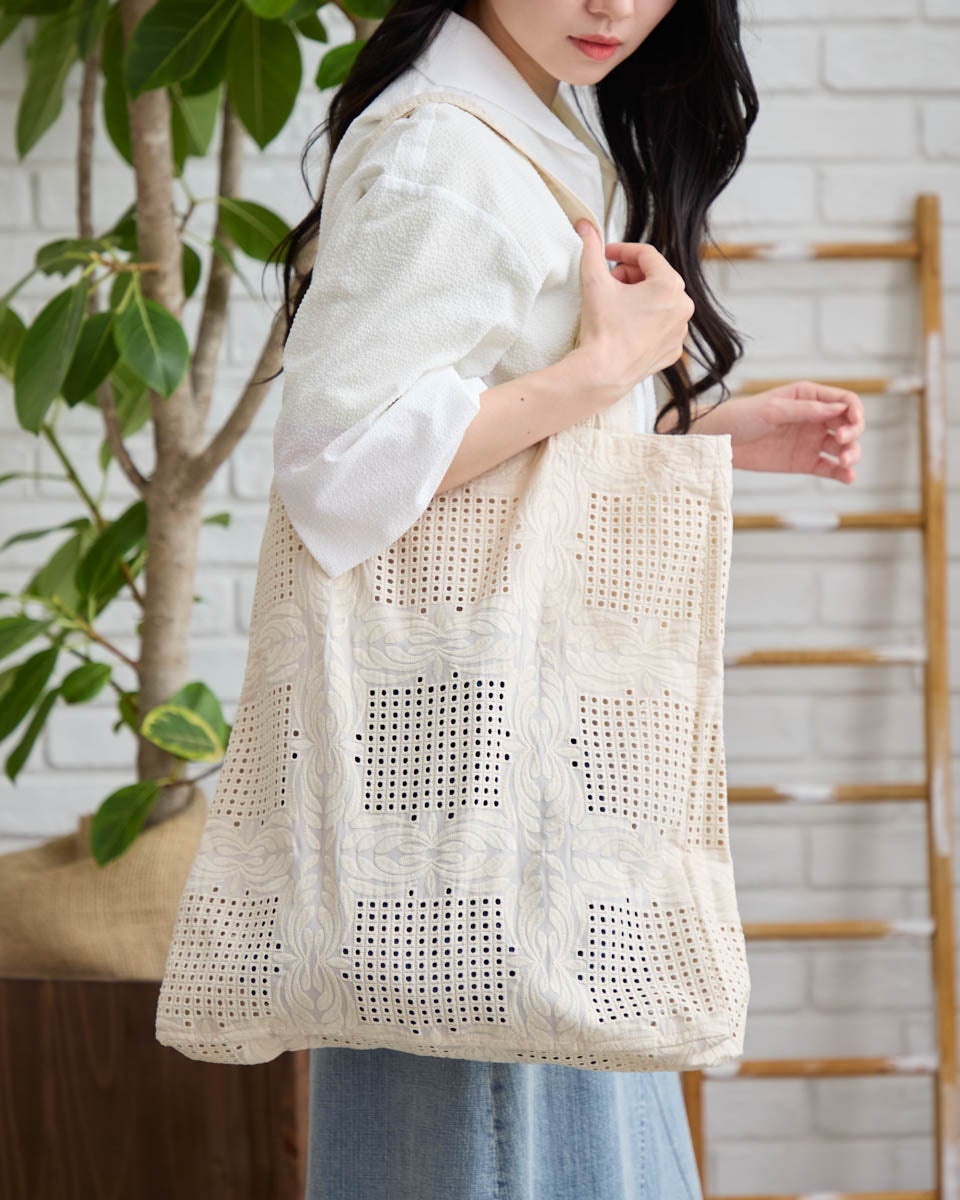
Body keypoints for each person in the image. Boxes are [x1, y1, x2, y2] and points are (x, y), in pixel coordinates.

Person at [267, 3, 866, 1197]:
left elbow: (478, 447)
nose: (614, 7)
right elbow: (340, 469)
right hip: (474, 792)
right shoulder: (447, 149)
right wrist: (608, 367)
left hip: (508, 778)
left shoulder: (524, 125)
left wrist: (688, 427)